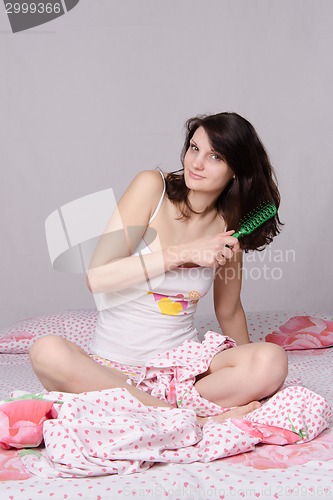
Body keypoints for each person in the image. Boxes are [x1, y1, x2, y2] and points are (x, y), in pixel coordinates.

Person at [29, 112, 288, 425]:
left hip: (183, 372)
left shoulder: (229, 229)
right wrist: (181, 253)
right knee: (46, 351)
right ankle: (189, 419)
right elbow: (97, 277)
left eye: (215, 156)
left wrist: (253, 382)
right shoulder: (152, 187)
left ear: (236, 170)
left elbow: (229, 311)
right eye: (194, 148)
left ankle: (153, 411)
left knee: (271, 361)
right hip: (111, 370)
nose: (196, 163)